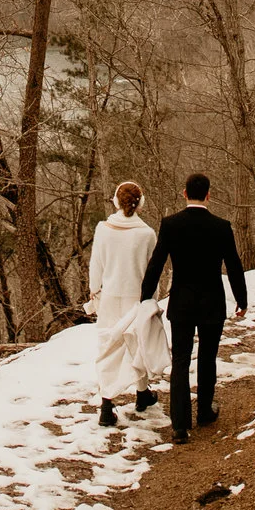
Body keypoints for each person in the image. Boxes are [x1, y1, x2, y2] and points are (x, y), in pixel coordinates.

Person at [139, 171, 248, 443]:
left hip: (182, 302)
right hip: (212, 301)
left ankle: (179, 424)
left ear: (184, 193)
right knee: (208, 357)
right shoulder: (221, 226)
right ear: (208, 195)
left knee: (180, 360)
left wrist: (144, 296)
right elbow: (233, 265)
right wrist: (242, 300)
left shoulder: (171, 224)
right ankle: (204, 412)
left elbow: (156, 263)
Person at [84, 181, 162, 426]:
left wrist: (94, 292)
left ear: (116, 202)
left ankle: (107, 405)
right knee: (137, 344)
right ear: (140, 204)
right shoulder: (147, 234)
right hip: (137, 297)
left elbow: (96, 265)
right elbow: (152, 271)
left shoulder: (103, 229)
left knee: (109, 347)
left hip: (109, 297)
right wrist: (153, 298)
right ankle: (142, 394)